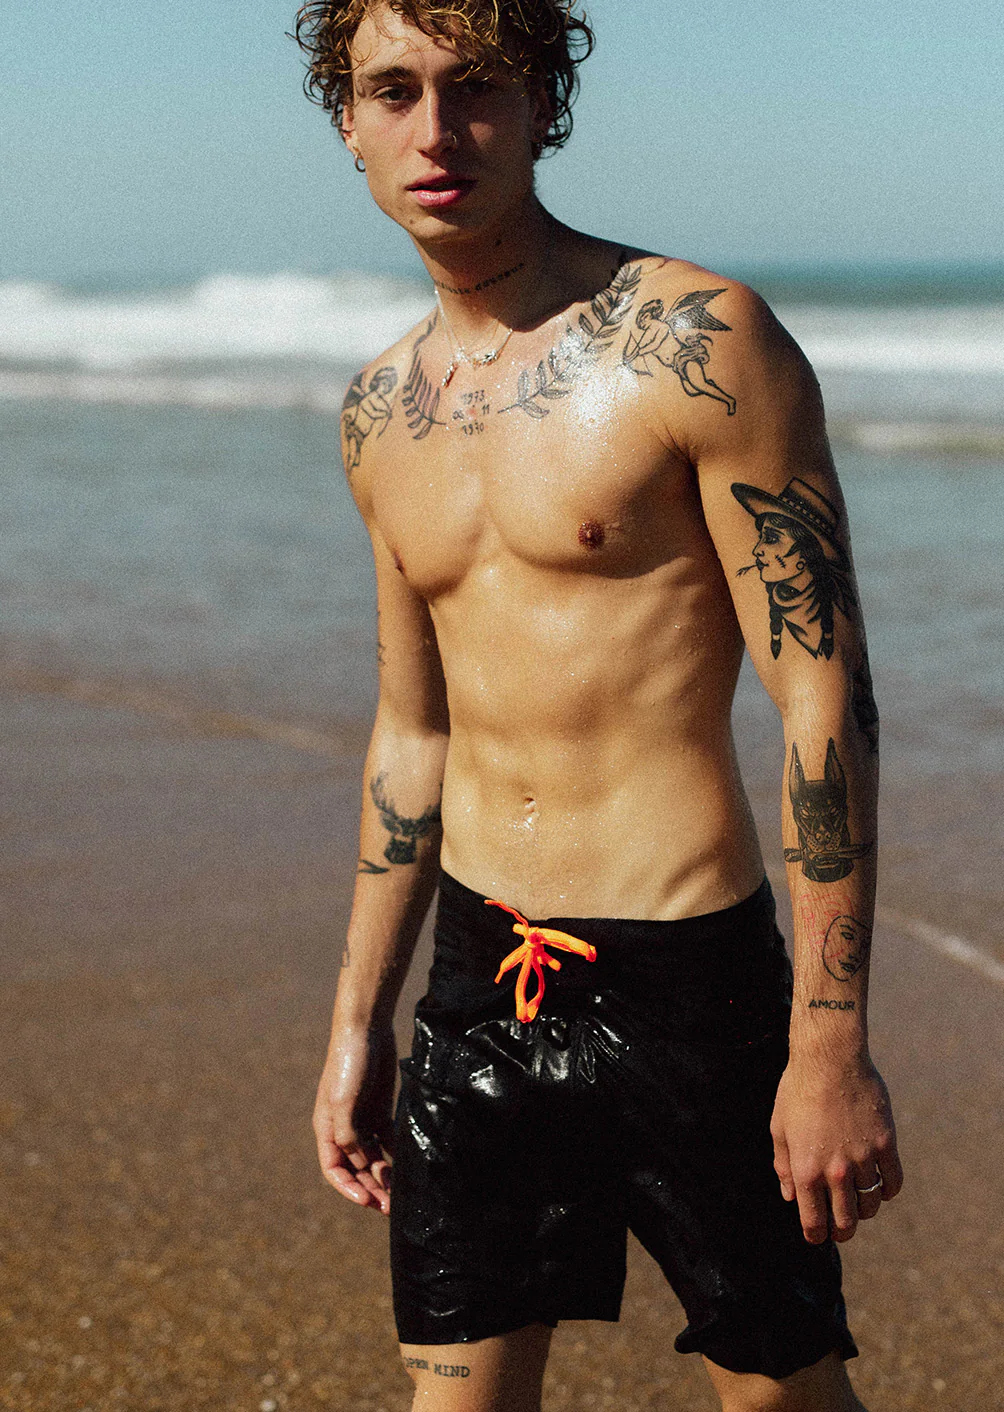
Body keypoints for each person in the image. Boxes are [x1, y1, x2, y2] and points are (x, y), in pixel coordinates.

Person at [294, 3, 903, 1409]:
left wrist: (829, 1043)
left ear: (542, 102)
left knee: (785, 1395)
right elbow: (414, 735)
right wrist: (357, 1024)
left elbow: (822, 692)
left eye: (476, 86)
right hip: (478, 980)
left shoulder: (697, 340)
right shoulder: (379, 412)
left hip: (689, 981)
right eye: (394, 91)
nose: (437, 131)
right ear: (350, 123)